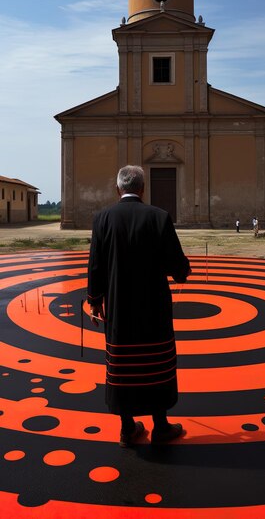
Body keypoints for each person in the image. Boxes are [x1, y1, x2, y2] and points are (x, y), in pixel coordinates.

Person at [88, 165, 191, 447]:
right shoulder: (159, 217)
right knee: (156, 364)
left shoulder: (102, 219)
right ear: (143, 189)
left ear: (117, 188)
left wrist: (95, 302)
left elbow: (95, 265)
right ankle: (161, 427)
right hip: (153, 307)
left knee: (122, 366)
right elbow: (177, 265)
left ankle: (127, 428)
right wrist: (183, 271)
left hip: (119, 307)